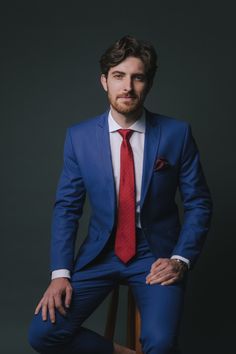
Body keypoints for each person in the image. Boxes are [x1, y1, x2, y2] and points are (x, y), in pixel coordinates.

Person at [28, 35, 212, 354]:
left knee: (161, 343)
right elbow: (66, 209)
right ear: (104, 82)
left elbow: (199, 203)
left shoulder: (176, 134)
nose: (127, 87)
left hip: (155, 255)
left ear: (148, 83)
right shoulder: (79, 137)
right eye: (118, 76)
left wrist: (181, 259)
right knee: (43, 334)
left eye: (137, 77)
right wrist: (60, 272)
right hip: (100, 253)